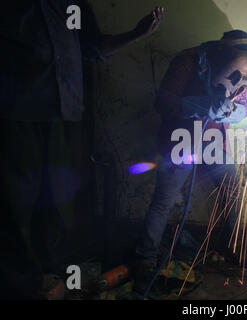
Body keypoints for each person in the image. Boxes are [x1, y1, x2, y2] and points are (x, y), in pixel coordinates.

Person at [0, 1, 164, 299]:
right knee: (16, 202)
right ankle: (19, 284)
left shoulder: (71, 5)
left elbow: (92, 45)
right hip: (17, 112)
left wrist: (135, 35)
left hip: (63, 112)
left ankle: (46, 272)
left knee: (56, 199)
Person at [134, 30, 247, 293]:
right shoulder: (189, 61)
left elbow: (246, 105)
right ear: (219, 57)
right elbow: (163, 101)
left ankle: (235, 250)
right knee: (164, 202)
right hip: (178, 140)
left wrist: (232, 111)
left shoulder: (244, 69)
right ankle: (144, 260)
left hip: (213, 141)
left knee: (232, 191)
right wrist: (202, 105)